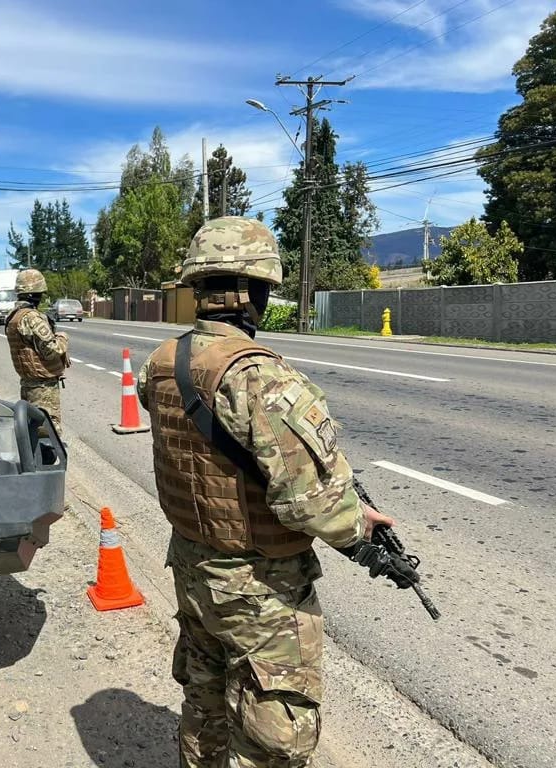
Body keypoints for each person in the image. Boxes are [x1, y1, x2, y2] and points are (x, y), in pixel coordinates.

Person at [136, 217, 394, 767]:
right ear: (250, 292)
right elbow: (312, 501)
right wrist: (361, 527)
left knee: (204, 709)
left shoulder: (160, 363)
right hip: (259, 587)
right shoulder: (261, 376)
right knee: (273, 742)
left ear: (201, 289)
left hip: (191, 565)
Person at [5, 268, 70, 435]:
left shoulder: (13, 316)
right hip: (43, 389)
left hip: (27, 384)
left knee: (32, 430)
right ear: (37, 293)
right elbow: (51, 350)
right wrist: (62, 338)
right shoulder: (32, 317)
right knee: (47, 432)